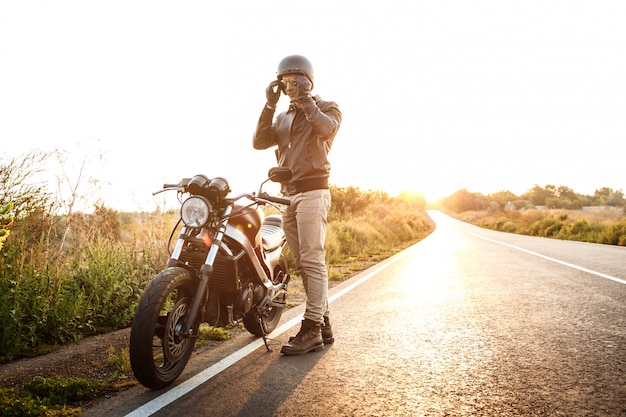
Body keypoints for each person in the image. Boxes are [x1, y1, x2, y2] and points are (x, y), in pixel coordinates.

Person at [253, 55, 342, 356]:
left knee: (313, 259)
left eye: (295, 81)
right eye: (284, 82)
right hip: (286, 196)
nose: (289, 87)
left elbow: (327, 129)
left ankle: (312, 328)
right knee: (303, 263)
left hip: (313, 192)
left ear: (307, 81)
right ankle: (324, 322)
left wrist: (306, 101)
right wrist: (268, 105)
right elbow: (258, 142)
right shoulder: (282, 118)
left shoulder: (327, 108)